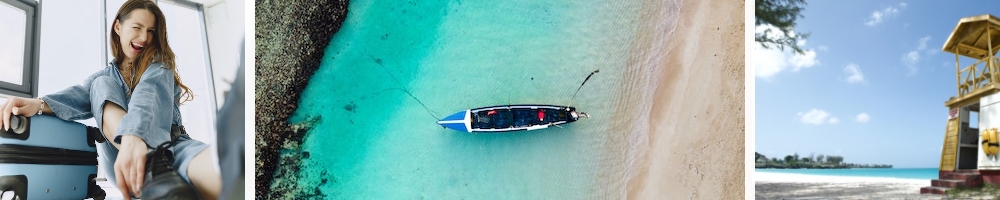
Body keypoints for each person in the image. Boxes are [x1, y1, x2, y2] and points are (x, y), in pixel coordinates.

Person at [0, 0, 220, 199]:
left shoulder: (159, 65)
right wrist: (36, 104)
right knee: (101, 84)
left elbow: (148, 94)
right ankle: (147, 166)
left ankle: (155, 171)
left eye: (151, 31)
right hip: (120, 155)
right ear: (118, 27)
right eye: (137, 27)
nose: (144, 37)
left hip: (172, 145)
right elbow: (75, 96)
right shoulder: (104, 77)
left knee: (222, 167)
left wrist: (137, 136)